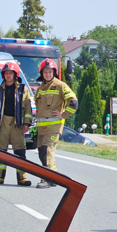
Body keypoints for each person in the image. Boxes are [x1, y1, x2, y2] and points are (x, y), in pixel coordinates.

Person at [0, 61, 33, 186]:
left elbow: (28, 108)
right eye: (6, 73)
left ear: (15, 74)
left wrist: (27, 123)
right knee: (1, 151)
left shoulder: (23, 90)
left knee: (20, 151)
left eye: (10, 73)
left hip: (17, 123)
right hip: (2, 123)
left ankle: (22, 178)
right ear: (3, 75)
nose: (8, 75)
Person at [34, 58, 78, 188]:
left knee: (48, 151)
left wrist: (63, 115)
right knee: (42, 152)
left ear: (54, 72)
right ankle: (53, 177)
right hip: (41, 128)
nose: (48, 74)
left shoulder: (60, 85)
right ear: (41, 73)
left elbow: (74, 102)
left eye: (50, 72)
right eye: (45, 72)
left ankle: (47, 179)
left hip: (53, 127)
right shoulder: (40, 88)